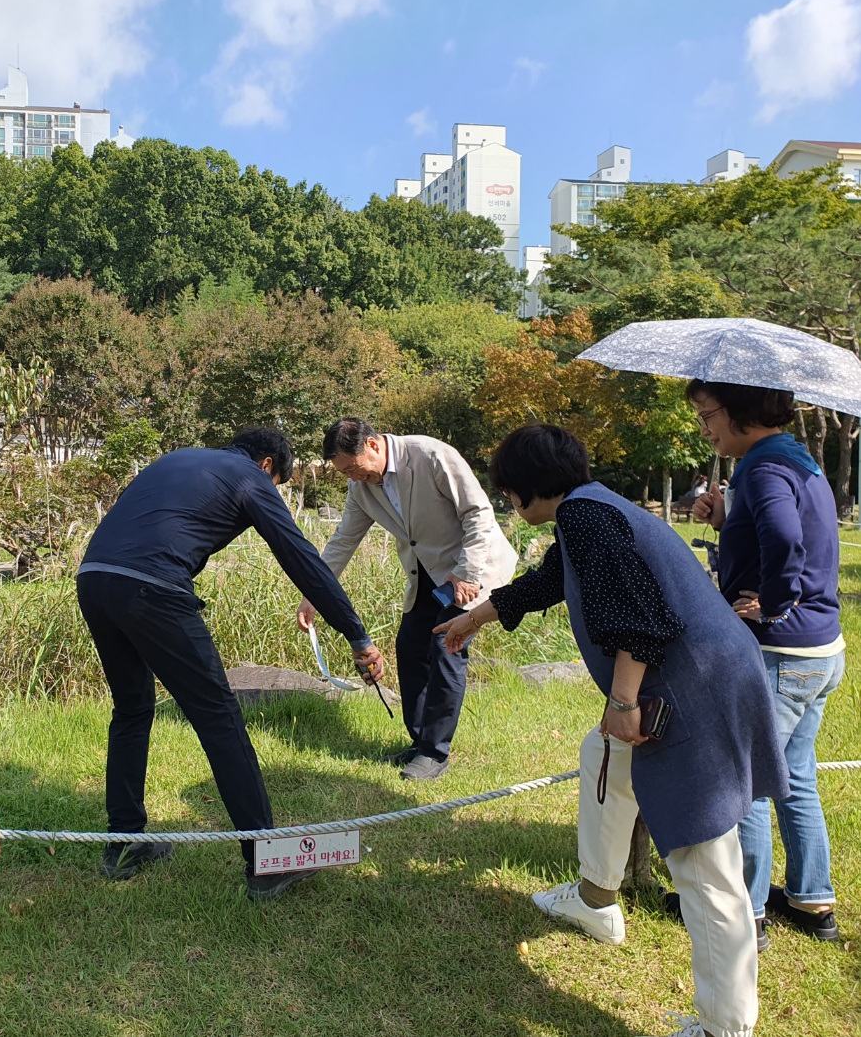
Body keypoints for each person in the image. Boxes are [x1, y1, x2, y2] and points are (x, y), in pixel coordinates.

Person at [437, 424, 786, 1037]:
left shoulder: (585, 517)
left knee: (704, 864)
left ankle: (724, 1026)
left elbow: (640, 619)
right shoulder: (590, 508)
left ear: (524, 487)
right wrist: (476, 617)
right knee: (602, 751)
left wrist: (623, 700)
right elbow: (551, 581)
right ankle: (596, 899)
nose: (507, 502)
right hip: (709, 677)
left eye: (507, 490)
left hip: (693, 694)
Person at [77, 428, 385, 901]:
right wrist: (357, 635)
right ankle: (265, 862)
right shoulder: (250, 477)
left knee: (132, 710)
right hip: (153, 587)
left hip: (94, 578)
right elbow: (301, 559)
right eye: (277, 485)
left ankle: (124, 844)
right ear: (268, 465)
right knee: (219, 717)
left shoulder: (180, 457)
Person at [690, 380, 843, 947]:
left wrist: (776, 602)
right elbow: (777, 529)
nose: (704, 428)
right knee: (795, 776)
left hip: (781, 653)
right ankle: (811, 899)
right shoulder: (795, 458)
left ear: (739, 412)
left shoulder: (762, 467)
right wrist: (725, 520)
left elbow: (783, 536)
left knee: (748, 779)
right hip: (821, 651)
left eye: (707, 415)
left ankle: (746, 914)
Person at [297, 418, 517, 780]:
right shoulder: (361, 487)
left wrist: (467, 572)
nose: (352, 477)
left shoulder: (431, 455)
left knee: (447, 649)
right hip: (426, 575)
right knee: (411, 647)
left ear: (372, 444)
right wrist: (313, 594)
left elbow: (478, 513)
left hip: (472, 568)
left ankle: (435, 753)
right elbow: (343, 541)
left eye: (353, 468)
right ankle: (419, 743)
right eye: (344, 473)